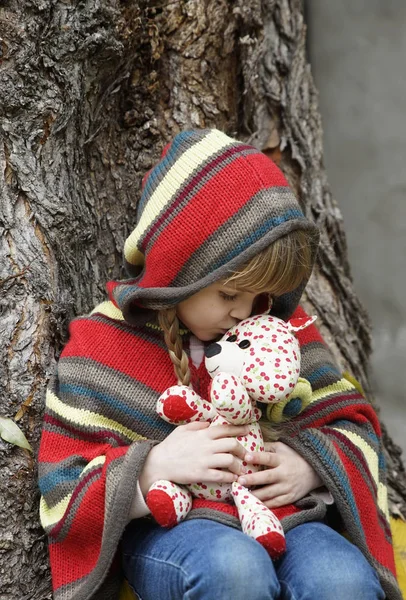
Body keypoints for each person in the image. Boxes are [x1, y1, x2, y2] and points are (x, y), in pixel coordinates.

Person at [38, 129, 400, 600]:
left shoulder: (278, 329)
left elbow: (353, 426)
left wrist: (310, 467)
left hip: (286, 517)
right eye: (228, 293)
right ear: (179, 268)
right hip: (175, 529)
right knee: (234, 570)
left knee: (341, 580)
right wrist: (153, 467)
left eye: (260, 297)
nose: (243, 312)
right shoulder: (105, 341)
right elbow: (62, 485)